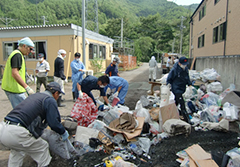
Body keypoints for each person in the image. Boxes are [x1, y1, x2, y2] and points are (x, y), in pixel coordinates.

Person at [0, 82, 69, 167]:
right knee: (42, 147)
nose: (58, 97)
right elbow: (54, 123)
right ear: (56, 93)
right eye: (59, 95)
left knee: (18, 150)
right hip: (16, 131)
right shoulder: (50, 100)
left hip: (3, 127)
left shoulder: (35, 96)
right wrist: (63, 132)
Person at [1, 37, 35, 108]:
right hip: (14, 89)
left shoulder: (17, 54)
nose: (31, 51)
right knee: (22, 111)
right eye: (30, 49)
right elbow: (15, 73)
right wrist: (27, 87)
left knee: (22, 110)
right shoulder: (17, 55)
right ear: (24, 46)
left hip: (14, 88)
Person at [166, 56, 192, 124]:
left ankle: (170, 115)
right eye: (183, 64)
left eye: (185, 64)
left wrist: (189, 85)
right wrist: (168, 84)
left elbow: (187, 77)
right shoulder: (174, 69)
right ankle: (187, 120)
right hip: (176, 89)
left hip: (182, 88)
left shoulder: (185, 69)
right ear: (179, 63)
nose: (185, 65)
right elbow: (169, 78)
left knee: (175, 103)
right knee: (182, 104)